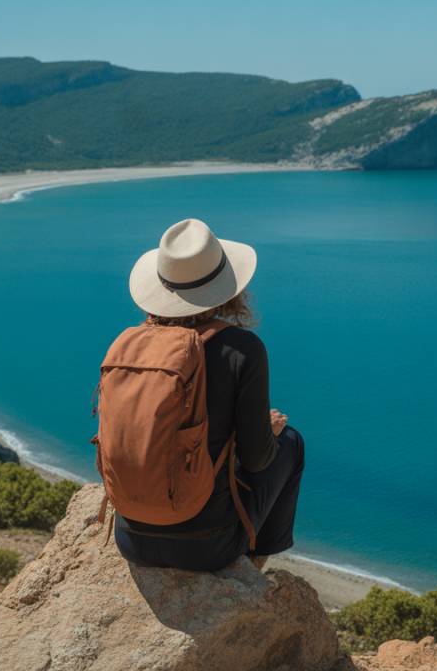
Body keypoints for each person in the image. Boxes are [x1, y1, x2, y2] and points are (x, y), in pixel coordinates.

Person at [110, 218, 305, 571]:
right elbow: (257, 459)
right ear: (226, 290)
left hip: (130, 539)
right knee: (290, 441)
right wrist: (268, 431)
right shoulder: (242, 350)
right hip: (208, 547)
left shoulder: (130, 346)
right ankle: (253, 565)